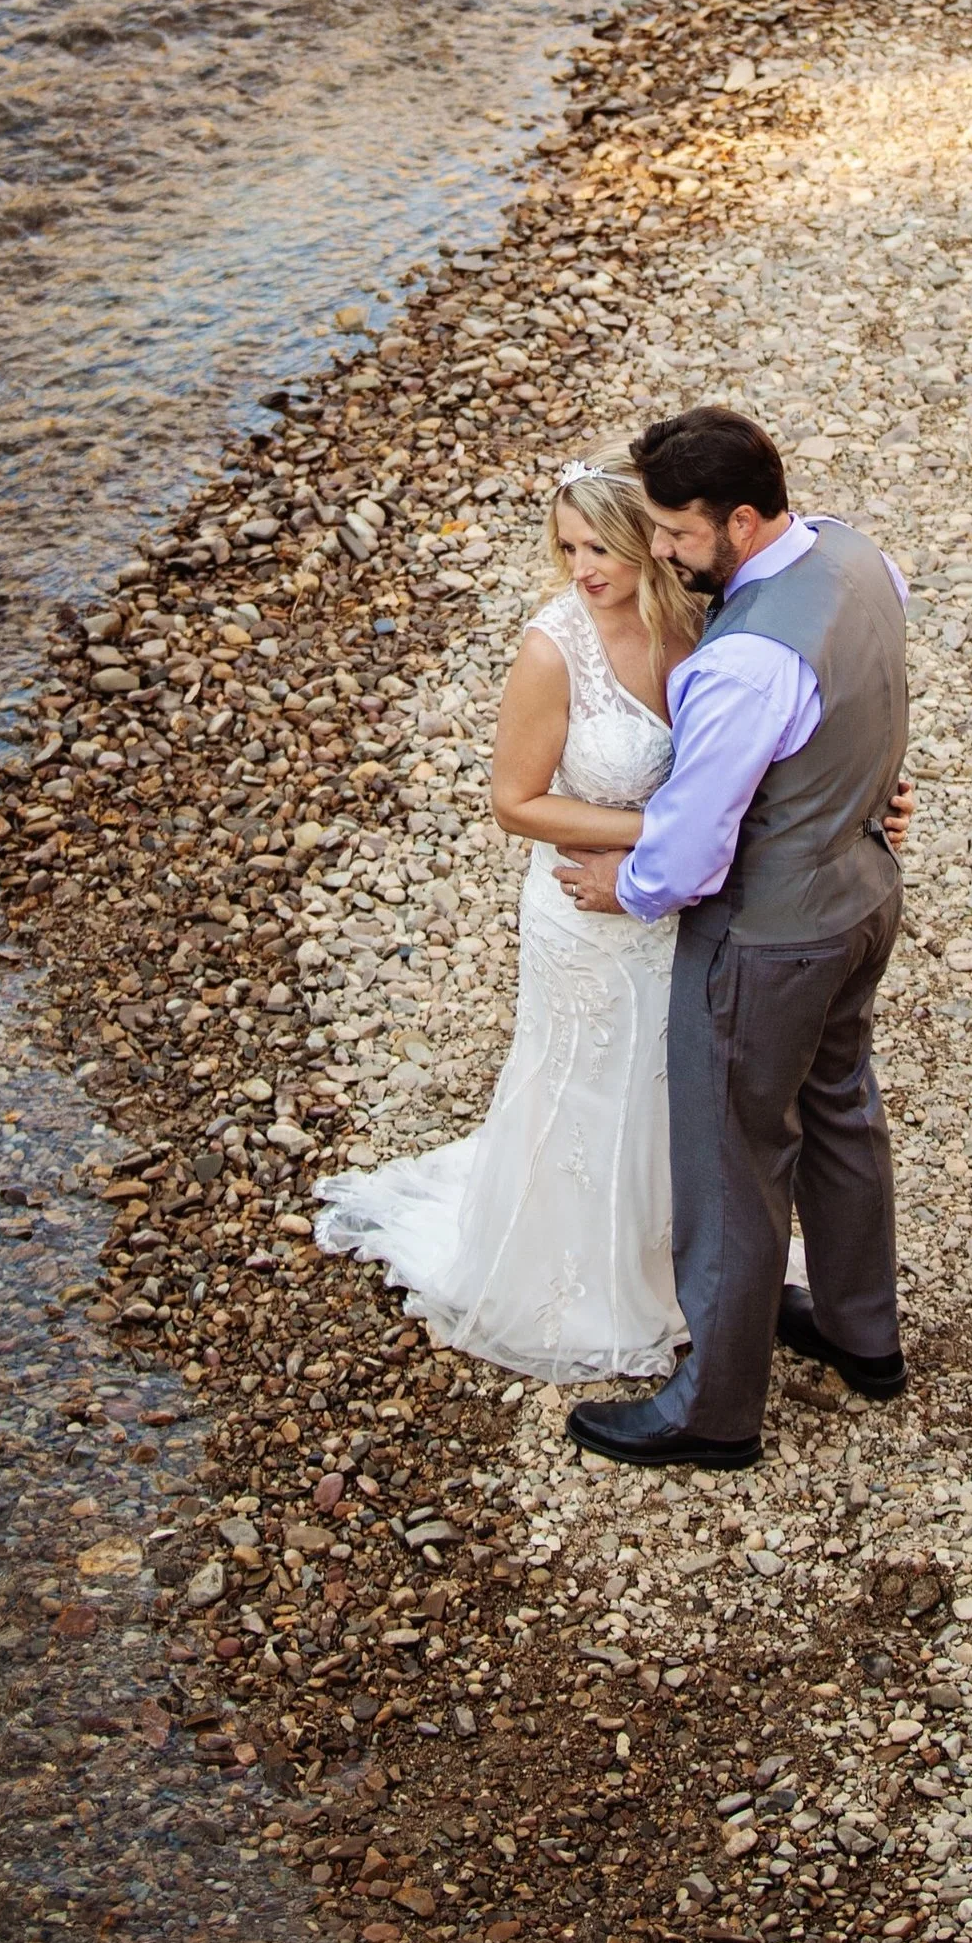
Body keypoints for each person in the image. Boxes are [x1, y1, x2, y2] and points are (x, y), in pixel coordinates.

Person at [554, 405, 910, 1471]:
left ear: (743, 521)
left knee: (730, 1156)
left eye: (675, 532)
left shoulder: (742, 662)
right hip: (862, 900)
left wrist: (632, 885)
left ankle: (712, 1409)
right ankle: (862, 1332)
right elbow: (873, 699)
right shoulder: (858, 559)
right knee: (840, 1108)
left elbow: (694, 848)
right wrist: (876, 800)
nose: (657, 549)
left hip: (770, 937)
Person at [313, 462, 704, 1381]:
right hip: (581, 911)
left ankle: (680, 1258)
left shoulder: (691, 618)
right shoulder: (550, 649)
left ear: (649, 541)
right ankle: (580, 1281)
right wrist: (664, 833)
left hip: (673, 907)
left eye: (599, 546)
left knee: (668, 1080)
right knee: (589, 1084)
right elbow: (515, 803)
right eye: (567, 548)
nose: (582, 567)